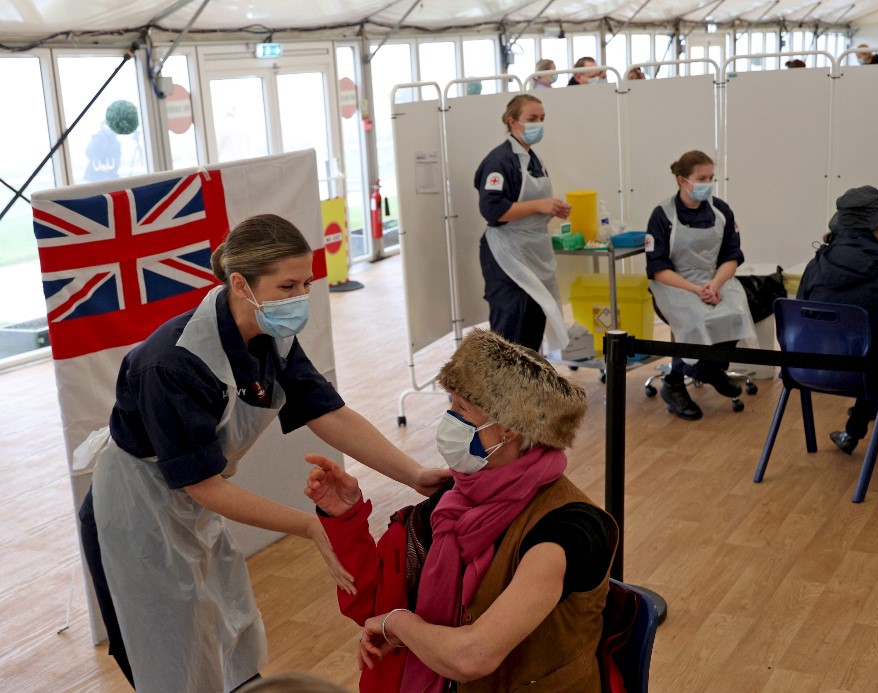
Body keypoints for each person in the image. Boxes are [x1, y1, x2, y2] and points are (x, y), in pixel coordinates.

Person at [77, 214, 450, 693]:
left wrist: (413, 474)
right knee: (166, 650)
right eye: (287, 286)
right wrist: (310, 526)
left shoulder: (271, 334)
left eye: (306, 284)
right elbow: (203, 485)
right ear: (240, 284)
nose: (300, 297)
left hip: (190, 503)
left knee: (227, 627)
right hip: (134, 512)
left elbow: (327, 412)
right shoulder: (173, 363)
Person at [307, 329, 617, 693]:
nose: (449, 419)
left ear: (508, 430)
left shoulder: (567, 530)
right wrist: (345, 519)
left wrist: (401, 625)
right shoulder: (452, 502)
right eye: (450, 404)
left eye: (462, 409)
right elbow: (374, 606)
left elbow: (473, 656)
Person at [797, 186, 878, 454]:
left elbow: (801, 316)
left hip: (810, 369)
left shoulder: (816, 264)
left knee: (876, 350)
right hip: (868, 374)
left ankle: (854, 430)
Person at [645, 150, 755, 420]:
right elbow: (658, 270)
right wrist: (695, 290)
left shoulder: (721, 211)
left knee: (737, 312)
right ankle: (677, 383)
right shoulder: (663, 215)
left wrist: (714, 285)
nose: (708, 183)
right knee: (696, 317)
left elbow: (731, 258)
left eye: (711, 178)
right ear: (682, 180)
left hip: (714, 279)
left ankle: (711, 369)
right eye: (701, 178)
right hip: (675, 284)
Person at [474, 94, 571, 353]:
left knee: (532, 328)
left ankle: (528, 379)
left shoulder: (533, 160)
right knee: (510, 332)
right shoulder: (500, 161)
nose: (539, 124)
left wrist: (552, 209)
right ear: (513, 121)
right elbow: (493, 210)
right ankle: (502, 381)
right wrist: (539, 205)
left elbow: (531, 204)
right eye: (532, 118)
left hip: (532, 251)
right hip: (506, 254)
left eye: (542, 118)